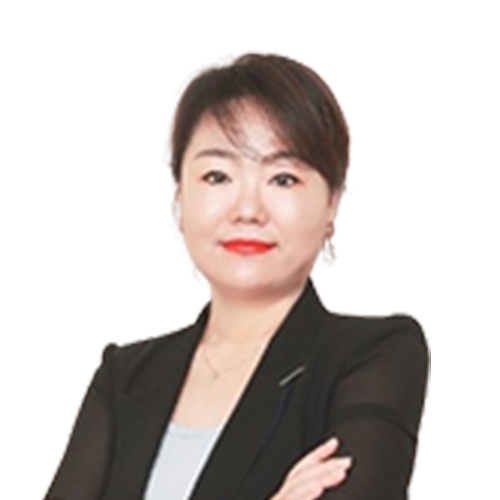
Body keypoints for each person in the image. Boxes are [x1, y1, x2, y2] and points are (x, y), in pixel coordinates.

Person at [44, 53, 428, 500]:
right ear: (180, 197)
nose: (248, 209)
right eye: (217, 176)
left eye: (282, 179)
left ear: (332, 204)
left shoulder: (374, 357)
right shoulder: (125, 377)